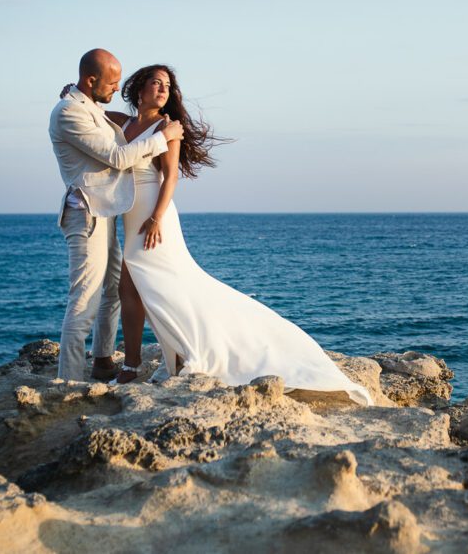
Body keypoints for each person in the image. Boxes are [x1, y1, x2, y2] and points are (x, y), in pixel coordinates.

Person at [106, 64, 371, 406]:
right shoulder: (125, 123)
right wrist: (74, 93)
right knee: (130, 289)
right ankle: (139, 360)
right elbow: (92, 111)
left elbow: (170, 176)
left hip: (154, 219)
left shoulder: (166, 127)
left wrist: (157, 217)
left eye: (167, 87)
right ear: (138, 88)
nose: (161, 90)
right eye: (155, 83)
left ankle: (150, 360)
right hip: (130, 219)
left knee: (160, 287)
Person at [48, 49, 184, 382]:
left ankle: (103, 359)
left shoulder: (89, 106)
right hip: (87, 212)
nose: (115, 89)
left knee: (111, 289)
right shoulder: (70, 112)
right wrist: (162, 138)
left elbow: (170, 175)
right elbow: (116, 156)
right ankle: (69, 380)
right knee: (84, 298)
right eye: (111, 83)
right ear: (91, 80)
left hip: (111, 210)